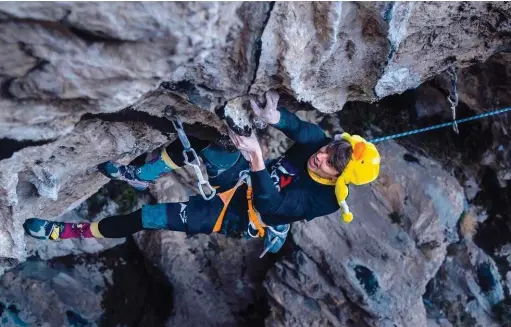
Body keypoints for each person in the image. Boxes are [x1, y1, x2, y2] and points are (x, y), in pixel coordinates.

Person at [23, 91, 378, 249]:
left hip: (238, 215)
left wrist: (255, 157)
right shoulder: (318, 146)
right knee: (215, 143)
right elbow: (305, 131)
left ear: (339, 179)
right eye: (329, 149)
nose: (321, 156)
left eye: (331, 162)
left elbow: (272, 207)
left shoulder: (323, 200)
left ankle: (70, 232)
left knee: (148, 216)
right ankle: (143, 174)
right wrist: (275, 117)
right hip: (244, 182)